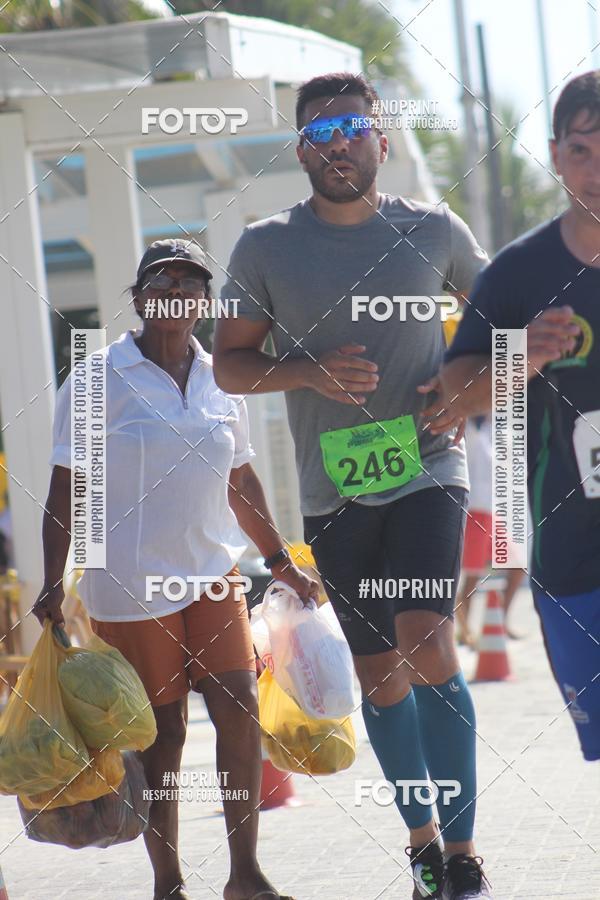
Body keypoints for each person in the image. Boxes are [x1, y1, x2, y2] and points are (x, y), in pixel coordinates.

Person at [213, 73, 494, 899]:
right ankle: (424, 846)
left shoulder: (434, 230)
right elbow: (230, 363)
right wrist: (306, 370)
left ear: (380, 137)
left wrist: (466, 392)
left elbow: (501, 329)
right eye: (319, 131)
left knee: (427, 638)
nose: (337, 142)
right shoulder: (265, 246)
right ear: (303, 147)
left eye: (352, 127)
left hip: (426, 469)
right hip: (332, 489)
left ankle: (468, 851)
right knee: (380, 676)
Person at [33, 238, 317, 900]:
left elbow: (241, 480)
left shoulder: (225, 378)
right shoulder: (100, 377)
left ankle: (244, 874)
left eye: (190, 286)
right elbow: (65, 487)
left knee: (240, 710)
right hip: (131, 585)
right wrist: (52, 580)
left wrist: (278, 560)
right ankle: (168, 882)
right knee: (163, 735)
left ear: (206, 302)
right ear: (138, 300)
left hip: (213, 573)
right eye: (162, 284)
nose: (177, 296)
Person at [441, 70, 600, 763]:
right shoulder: (515, 275)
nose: (597, 169)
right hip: (574, 556)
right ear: (554, 152)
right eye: (580, 150)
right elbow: (449, 401)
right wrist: (519, 357)